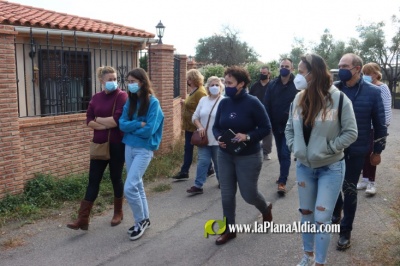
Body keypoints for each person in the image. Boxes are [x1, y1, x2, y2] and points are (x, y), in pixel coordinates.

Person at [285, 54, 358, 266]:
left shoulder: (340, 99)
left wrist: (328, 149)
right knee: (306, 213)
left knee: (322, 218)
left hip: (331, 168)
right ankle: (307, 256)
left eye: (300, 71)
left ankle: (320, 262)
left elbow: (351, 132)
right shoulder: (298, 98)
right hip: (304, 167)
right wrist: (295, 147)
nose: (297, 76)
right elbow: (290, 128)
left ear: (313, 73)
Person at [332, 53, 387, 251]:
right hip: (332, 149)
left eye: (345, 65)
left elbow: (380, 124)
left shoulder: (373, 92)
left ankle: (345, 231)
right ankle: (336, 209)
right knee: (333, 186)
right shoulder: (333, 89)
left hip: (356, 149)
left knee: (349, 188)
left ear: (357, 68)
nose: (341, 69)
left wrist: (378, 150)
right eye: (339, 65)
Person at [212, 66, 273, 245]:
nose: (226, 86)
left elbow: (266, 128)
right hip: (225, 154)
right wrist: (219, 137)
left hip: (249, 156)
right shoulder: (224, 102)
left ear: (241, 84)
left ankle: (265, 208)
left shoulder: (253, 102)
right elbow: (216, 126)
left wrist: (247, 136)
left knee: (249, 194)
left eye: (229, 83)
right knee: (227, 194)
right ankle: (229, 230)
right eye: (225, 82)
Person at [67, 66, 128, 230]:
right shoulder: (96, 98)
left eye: (115, 79)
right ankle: (82, 219)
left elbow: (116, 121)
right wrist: (103, 124)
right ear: (101, 80)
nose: (113, 82)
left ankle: (118, 212)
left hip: (117, 145)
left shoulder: (122, 96)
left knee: (116, 178)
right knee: (93, 180)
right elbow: (88, 119)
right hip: (99, 145)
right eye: (110, 79)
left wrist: (98, 121)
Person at [119, 68, 164, 241]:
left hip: (144, 149)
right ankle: (145, 219)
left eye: (133, 81)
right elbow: (122, 124)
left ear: (142, 82)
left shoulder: (153, 103)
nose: (130, 84)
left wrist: (133, 126)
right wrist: (139, 123)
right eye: (128, 81)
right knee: (137, 186)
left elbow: (149, 131)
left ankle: (139, 221)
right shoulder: (130, 102)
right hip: (128, 147)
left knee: (129, 187)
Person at [357, 62, 392, 195]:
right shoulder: (365, 87)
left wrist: (384, 126)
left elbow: (386, 108)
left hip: (376, 127)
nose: (365, 75)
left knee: (373, 154)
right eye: (364, 73)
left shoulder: (382, 88)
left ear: (376, 74)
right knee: (364, 153)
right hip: (364, 126)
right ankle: (365, 179)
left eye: (368, 73)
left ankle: (372, 182)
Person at [264, 58, 298, 195]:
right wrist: (268, 123)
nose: (284, 68)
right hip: (275, 125)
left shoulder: (297, 84)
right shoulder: (272, 84)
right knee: (279, 153)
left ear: (292, 69)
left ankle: (282, 181)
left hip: (290, 126)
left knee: (285, 153)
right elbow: (267, 104)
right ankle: (282, 174)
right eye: (282, 66)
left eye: (287, 66)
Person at [172, 69, 212, 180]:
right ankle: (185, 171)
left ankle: (209, 169)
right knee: (189, 148)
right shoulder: (193, 90)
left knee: (200, 148)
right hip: (189, 126)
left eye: (189, 79)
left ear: (193, 79)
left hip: (196, 127)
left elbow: (203, 108)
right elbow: (193, 104)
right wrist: (185, 102)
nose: (187, 81)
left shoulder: (201, 92)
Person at [187, 76, 224, 194]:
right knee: (203, 161)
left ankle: (222, 182)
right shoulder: (203, 100)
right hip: (204, 139)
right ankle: (198, 185)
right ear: (208, 87)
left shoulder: (224, 101)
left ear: (221, 87)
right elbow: (195, 117)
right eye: (212, 85)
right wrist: (200, 127)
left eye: (217, 85)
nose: (214, 87)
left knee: (218, 163)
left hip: (218, 139)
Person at [249, 65, 273, 160]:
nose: (262, 74)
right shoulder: (255, 85)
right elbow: (249, 98)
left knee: (267, 133)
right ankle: (255, 150)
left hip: (268, 113)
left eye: (264, 73)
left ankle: (266, 152)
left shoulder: (272, 85)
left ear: (269, 74)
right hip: (255, 113)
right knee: (254, 132)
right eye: (261, 73)